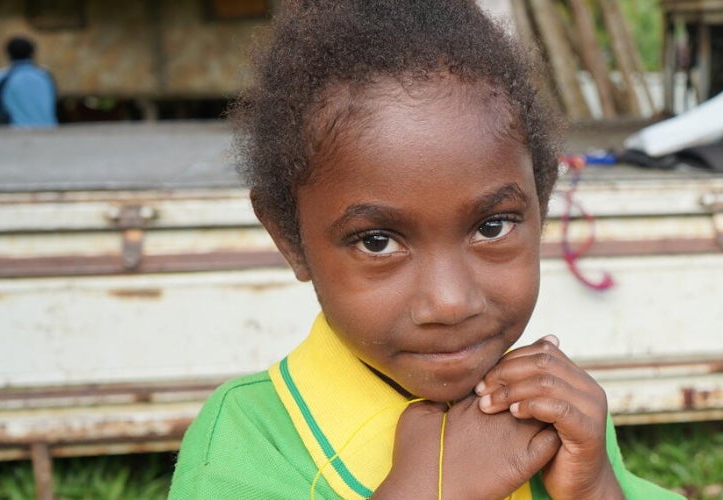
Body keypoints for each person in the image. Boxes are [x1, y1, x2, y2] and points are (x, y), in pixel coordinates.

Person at [169, 2, 678, 498]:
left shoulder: (556, 409)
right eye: (377, 241)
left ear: (540, 206)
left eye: (492, 226)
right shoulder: (246, 445)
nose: (450, 302)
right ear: (290, 238)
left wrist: (596, 489)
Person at [0, 35, 57, 128]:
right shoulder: (45, 76)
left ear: (9, 54)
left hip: (15, 134)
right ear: (33, 53)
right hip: (50, 132)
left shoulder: (2, 77)